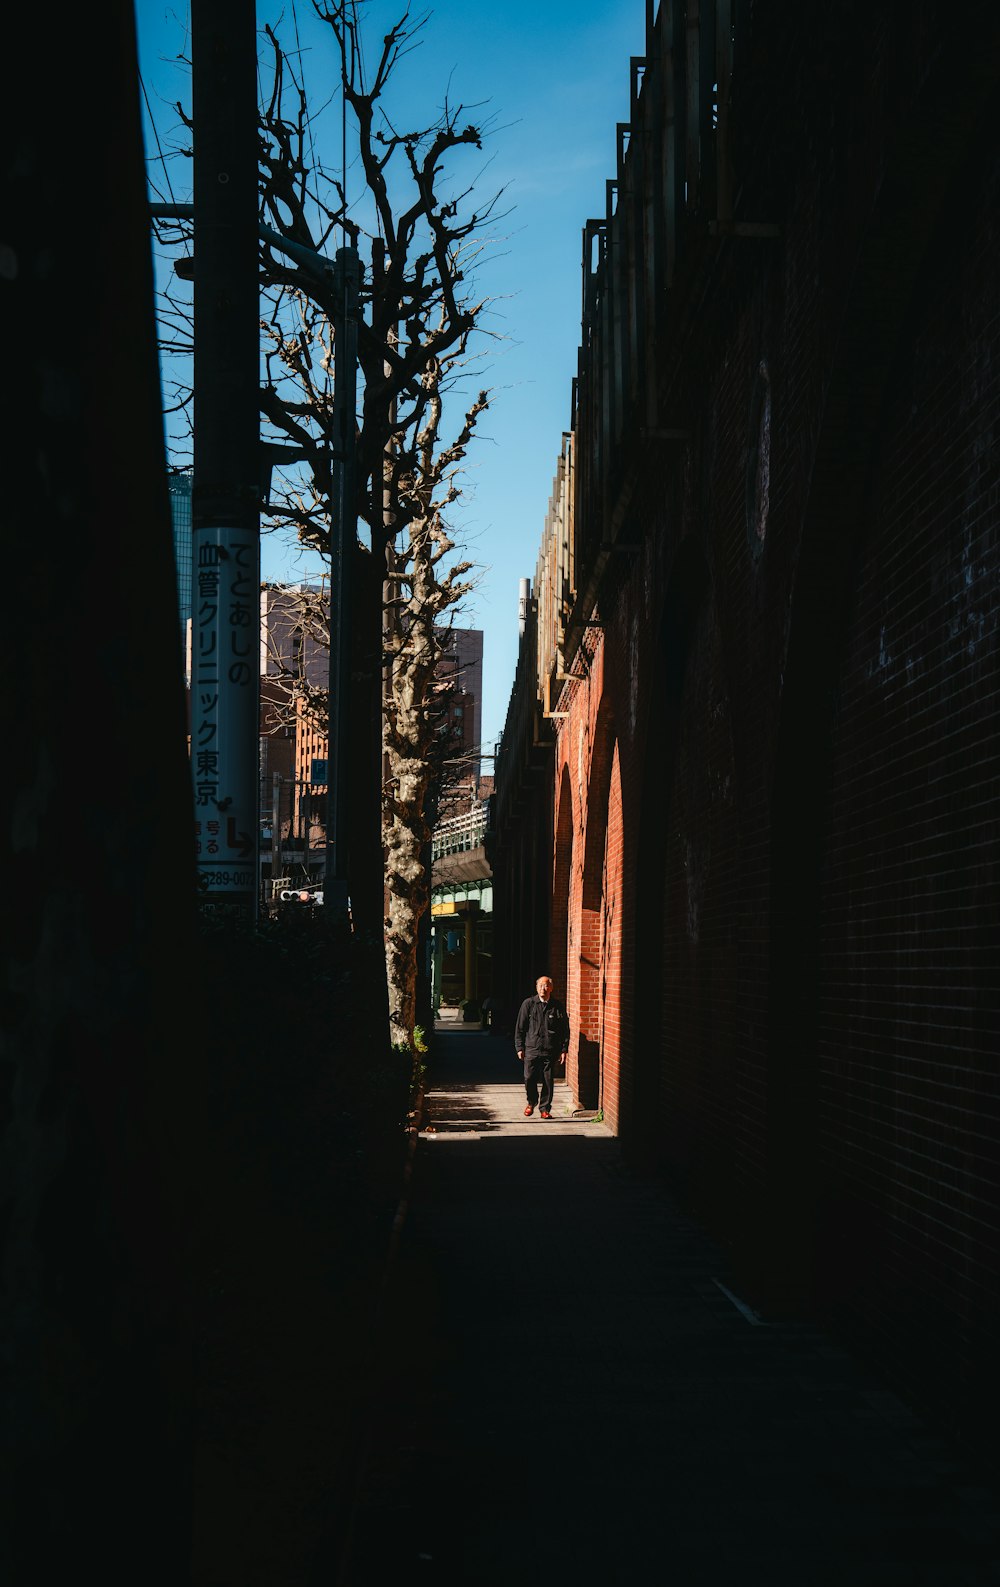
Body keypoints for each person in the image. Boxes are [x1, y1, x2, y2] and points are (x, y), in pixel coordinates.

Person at [514, 975, 569, 1119]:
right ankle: (531, 1102)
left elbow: (564, 1030)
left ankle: (545, 1108)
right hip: (531, 1048)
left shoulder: (557, 1006)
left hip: (550, 1049)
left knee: (547, 1079)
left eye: (545, 986)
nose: (542, 989)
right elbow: (520, 1028)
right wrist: (519, 1047)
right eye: (540, 986)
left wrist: (564, 1049)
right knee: (529, 1077)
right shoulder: (529, 1004)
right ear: (536, 988)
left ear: (551, 988)